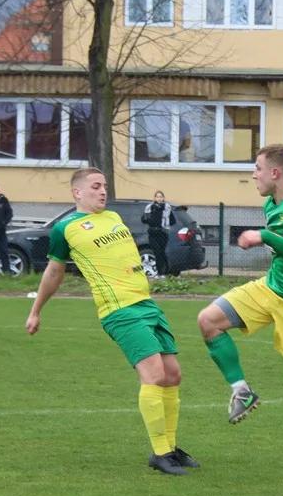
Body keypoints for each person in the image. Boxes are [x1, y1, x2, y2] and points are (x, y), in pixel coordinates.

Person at [26, 167, 197, 476]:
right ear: (77, 192)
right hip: (119, 310)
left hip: (146, 304)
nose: (103, 191)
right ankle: (159, 453)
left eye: (104, 185)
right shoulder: (65, 229)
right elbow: (54, 272)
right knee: (155, 374)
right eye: (95, 186)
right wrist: (36, 309)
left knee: (173, 374)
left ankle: (171, 447)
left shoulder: (114, 219)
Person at [196, 144, 283, 479]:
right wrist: (265, 236)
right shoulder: (273, 201)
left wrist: (262, 236)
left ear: (275, 172)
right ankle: (242, 391)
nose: (253, 174)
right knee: (208, 321)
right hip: (271, 288)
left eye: (257, 168)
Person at [141, 190, 175, 278]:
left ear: (163, 198)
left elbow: (172, 220)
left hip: (163, 232)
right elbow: (144, 219)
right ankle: (160, 273)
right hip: (153, 232)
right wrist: (149, 220)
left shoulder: (167, 208)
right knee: (156, 252)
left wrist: (165, 224)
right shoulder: (150, 207)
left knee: (162, 252)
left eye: (161, 197)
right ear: (155, 198)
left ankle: (165, 272)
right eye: (157, 197)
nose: (159, 198)